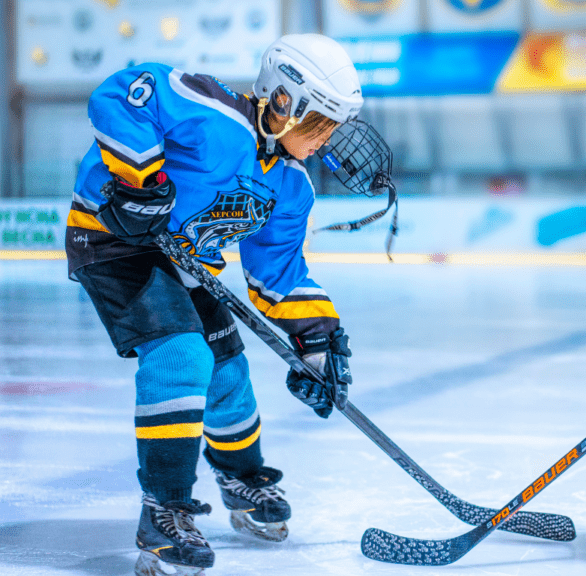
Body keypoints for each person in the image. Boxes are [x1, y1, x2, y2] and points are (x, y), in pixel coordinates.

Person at [65, 34, 389, 576]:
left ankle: (242, 476)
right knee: (182, 355)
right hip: (114, 241)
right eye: (318, 125)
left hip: (187, 262)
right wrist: (139, 181)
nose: (324, 141)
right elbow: (123, 93)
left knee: (229, 374)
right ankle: (163, 509)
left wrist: (317, 339)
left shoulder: (291, 186)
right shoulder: (213, 116)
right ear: (282, 101)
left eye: (330, 129)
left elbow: (277, 275)